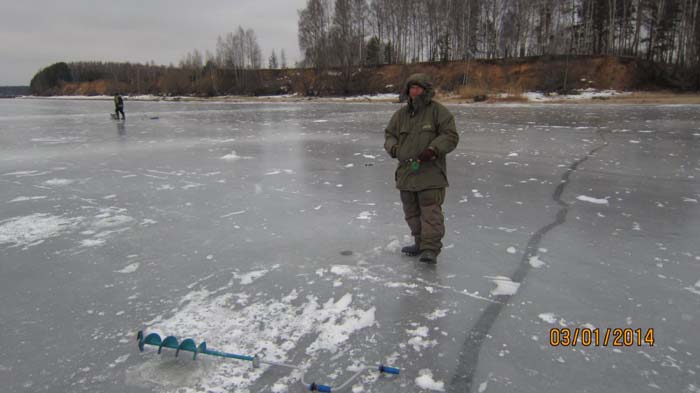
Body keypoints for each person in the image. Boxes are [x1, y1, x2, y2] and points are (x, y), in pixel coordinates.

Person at [384, 73, 459, 264]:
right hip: (407, 173)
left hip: (430, 173)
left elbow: (450, 136)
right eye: (411, 88)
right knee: (411, 212)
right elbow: (389, 135)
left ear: (425, 91)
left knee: (430, 212)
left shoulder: (438, 111)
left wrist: (433, 150)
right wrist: (393, 148)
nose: (413, 91)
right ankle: (419, 242)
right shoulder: (401, 115)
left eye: (417, 88)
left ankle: (430, 249)